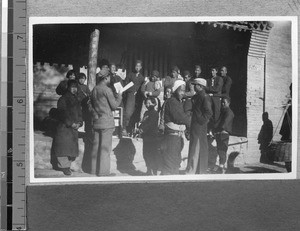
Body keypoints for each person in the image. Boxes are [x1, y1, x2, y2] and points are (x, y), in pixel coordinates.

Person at [90, 69, 123, 176]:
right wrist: (119, 96)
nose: (110, 79)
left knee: (96, 147)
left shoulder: (95, 89)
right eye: (109, 77)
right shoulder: (107, 90)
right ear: (105, 78)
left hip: (96, 121)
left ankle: (93, 170)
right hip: (106, 122)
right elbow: (114, 106)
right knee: (105, 149)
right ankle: (103, 172)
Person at [51, 80, 83, 176]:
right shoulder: (62, 99)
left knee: (70, 148)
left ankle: (67, 166)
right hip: (64, 127)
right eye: (72, 87)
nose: (74, 89)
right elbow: (62, 114)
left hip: (73, 128)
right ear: (68, 88)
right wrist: (71, 123)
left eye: (75, 87)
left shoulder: (76, 99)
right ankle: (64, 167)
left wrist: (79, 123)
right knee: (63, 148)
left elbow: (79, 113)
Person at [161, 80, 191, 175]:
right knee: (171, 164)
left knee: (175, 163)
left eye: (184, 90)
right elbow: (179, 118)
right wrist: (190, 122)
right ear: (175, 90)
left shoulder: (177, 102)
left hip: (176, 137)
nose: (183, 93)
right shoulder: (172, 102)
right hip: (172, 138)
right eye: (180, 90)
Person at [185, 78, 212, 174]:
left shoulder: (205, 97)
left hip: (199, 127)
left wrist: (200, 121)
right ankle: (196, 170)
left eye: (195, 84)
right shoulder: (196, 97)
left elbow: (208, 112)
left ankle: (195, 170)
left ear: (200, 86)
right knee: (194, 147)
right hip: (195, 126)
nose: (193, 86)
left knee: (197, 148)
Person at [139, 97, 160, 175]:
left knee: (153, 154)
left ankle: (154, 170)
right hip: (146, 137)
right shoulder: (146, 113)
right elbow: (143, 122)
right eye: (146, 103)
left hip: (153, 136)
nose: (147, 105)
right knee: (146, 153)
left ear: (154, 104)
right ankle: (148, 168)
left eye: (149, 103)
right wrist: (140, 127)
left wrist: (143, 129)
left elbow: (151, 124)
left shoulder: (155, 113)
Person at [122, 60, 144, 136]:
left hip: (138, 98)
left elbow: (142, 87)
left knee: (135, 114)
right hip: (130, 96)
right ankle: (124, 129)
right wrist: (130, 91)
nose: (137, 68)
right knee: (128, 113)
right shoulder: (130, 75)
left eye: (139, 66)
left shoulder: (142, 77)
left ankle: (131, 130)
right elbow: (125, 85)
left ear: (141, 67)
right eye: (136, 66)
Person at [213, 96, 234, 173]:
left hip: (224, 134)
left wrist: (219, 129)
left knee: (222, 150)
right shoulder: (223, 112)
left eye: (224, 102)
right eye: (221, 102)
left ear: (228, 103)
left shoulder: (229, 113)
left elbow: (224, 123)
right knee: (219, 150)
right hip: (219, 133)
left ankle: (221, 167)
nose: (222, 104)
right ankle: (220, 166)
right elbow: (218, 122)